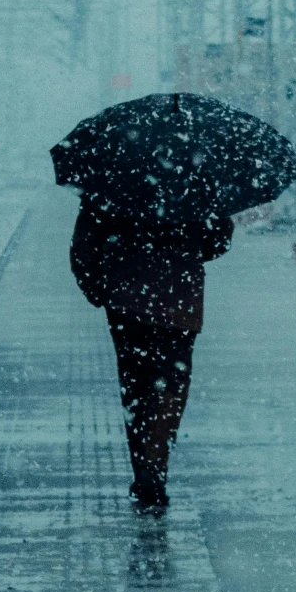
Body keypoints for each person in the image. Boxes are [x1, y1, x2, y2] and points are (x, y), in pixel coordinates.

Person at [69, 197, 233, 516]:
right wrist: (185, 252)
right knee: (171, 386)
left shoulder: (108, 182)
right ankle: (156, 466)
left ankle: (143, 469)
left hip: (126, 304)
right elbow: (219, 240)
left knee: (136, 387)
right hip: (180, 303)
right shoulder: (197, 180)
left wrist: (99, 291)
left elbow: (83, 249)